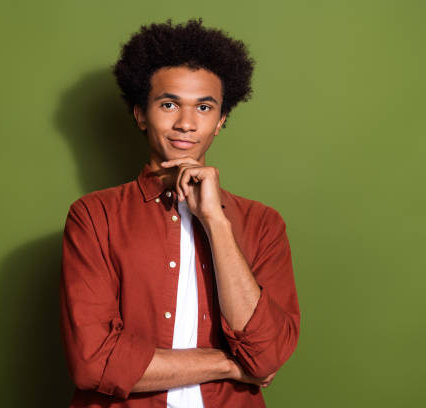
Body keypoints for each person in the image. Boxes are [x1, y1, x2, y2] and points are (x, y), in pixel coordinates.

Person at [59, 18, 300, 407]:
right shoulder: (94, 217)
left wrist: (216, 221)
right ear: (140, 114)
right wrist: (228, 365)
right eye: (169, 104)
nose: (186, 123)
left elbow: (268, 355)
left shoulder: (263, 224)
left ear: (221, 120)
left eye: (204, 107)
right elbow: (95, 363)